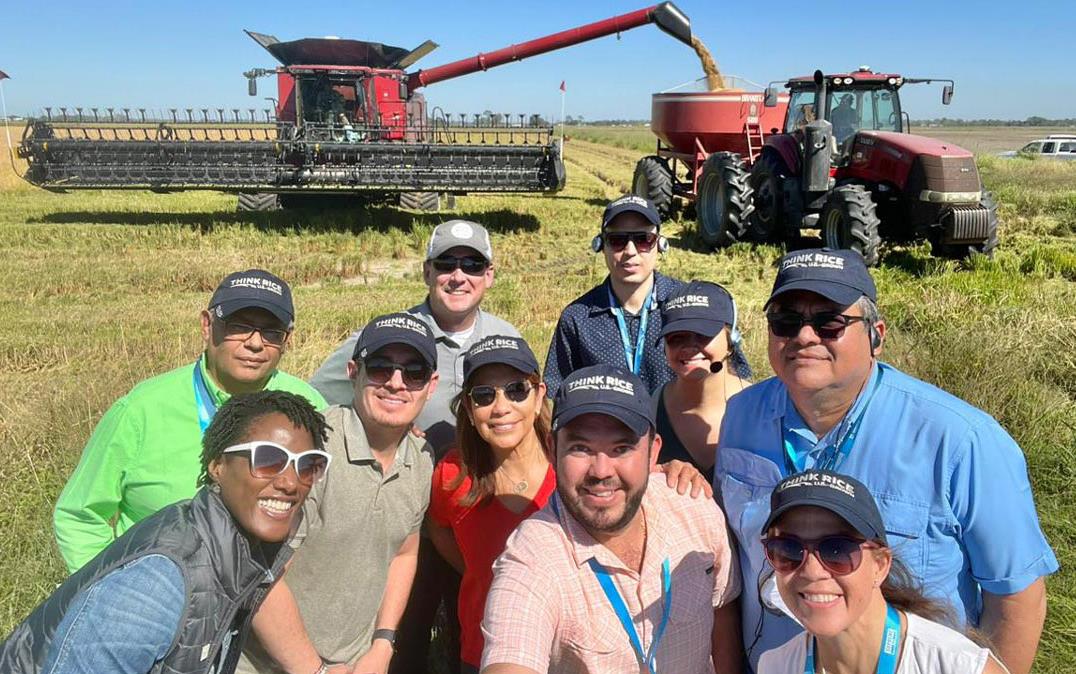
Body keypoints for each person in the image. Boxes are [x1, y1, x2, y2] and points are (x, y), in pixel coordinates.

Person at [713, 248, 1057, 674]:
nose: (804, 336)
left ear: (876, 334)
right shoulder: (741, 416)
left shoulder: (961, 440)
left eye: (829, 321)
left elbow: (1018, 597)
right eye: (786, 321)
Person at [310, 220, 521, 673]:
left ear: (490, 275)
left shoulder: (507, 338)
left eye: (472, 264)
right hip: (413, 524)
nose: (458, 275)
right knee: (403, 637)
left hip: (480, 518)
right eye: (446, 264)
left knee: (477, 635)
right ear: (427, 272)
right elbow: (314, 396)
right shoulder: (394, 340)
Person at [433, 338, 715, 674]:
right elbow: (439, 530)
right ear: (468, 406)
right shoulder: (452, 475)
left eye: (516, 390)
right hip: (488, 646)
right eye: (483, 395)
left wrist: (675, 470)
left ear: (539, 395)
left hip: (590, 640)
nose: (501, 406)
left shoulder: (579, 475)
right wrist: (482, 572)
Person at [1, 391, 333, 674]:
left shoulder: (235, 557)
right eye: (268, 459)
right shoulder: (156, 584)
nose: (291, 482)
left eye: (308, 465)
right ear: (217, 466)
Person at [53, 269, 327, 573]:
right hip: (161, 599)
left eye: (271, 332)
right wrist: (113, 587)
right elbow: (79, 515)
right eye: (239, 326)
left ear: (287, 339)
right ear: (207, 325)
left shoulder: (310, 407)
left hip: (268, 597)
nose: (255, 343)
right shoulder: (142, 409)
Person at [239, 313, 440, 674]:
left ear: (432, 385)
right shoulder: (312, 450)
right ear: (352, 372)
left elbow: (404, 551)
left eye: (414, 372)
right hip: (266, 664)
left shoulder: (422, 459)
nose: (396, 383)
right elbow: (262, 574)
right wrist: (314, 670)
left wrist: (383, 642)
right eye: (380, 367)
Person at [757, 470, 1008, 674]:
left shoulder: (958, 666)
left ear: (880, 565)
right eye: (788, 550)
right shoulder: (775, 666)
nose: (811, 571)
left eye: (837, 550)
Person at [544, 195, 685, 398]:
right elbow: (559, 393)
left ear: (660, 244)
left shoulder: (686, 307)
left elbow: (733, 379)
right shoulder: (576, 318)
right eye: (617, 240)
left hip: (675, 430)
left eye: (643, 239)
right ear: (601, 245)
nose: (630, 251)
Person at [654, 280, 753, 483]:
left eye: (702, 335)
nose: (689, 347)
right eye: (676, 337)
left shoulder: (761, 408)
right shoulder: (652, 409)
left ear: (731, 340)